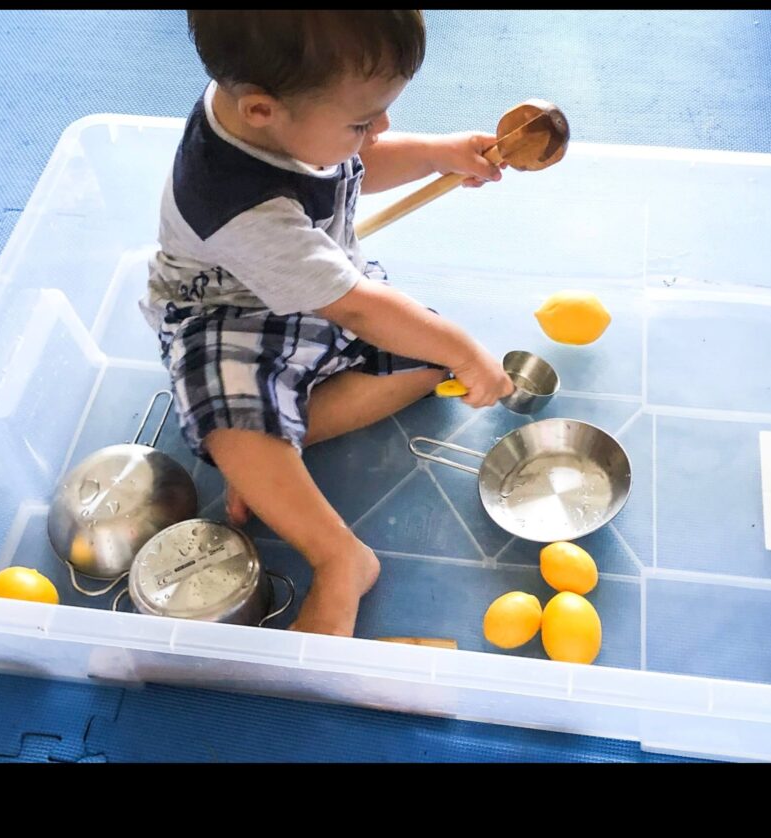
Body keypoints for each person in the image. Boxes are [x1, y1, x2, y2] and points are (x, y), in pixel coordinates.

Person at [140, 10, 514, 636]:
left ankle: (274, 450)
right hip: (224, 317)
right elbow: (358, 307)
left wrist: (436, 154)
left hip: (320, 290)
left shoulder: (284, 112)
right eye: (364, 121)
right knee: (230, 406)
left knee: (427, 361)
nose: (381, 128)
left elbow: (350, 167)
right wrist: (468, 350)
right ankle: (337, 554)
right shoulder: (237, 201)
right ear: (261, 110)